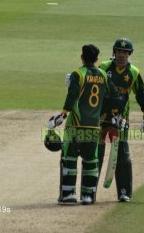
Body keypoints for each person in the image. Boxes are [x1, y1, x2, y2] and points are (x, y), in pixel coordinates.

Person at [47, 44, 116, 205]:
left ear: (82, 57)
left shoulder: (78, 74)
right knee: (91, 160)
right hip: (94, 126)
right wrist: (106, 113)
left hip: (75, 126)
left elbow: (72, 97)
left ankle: (68, 194)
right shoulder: (103, 75)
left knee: (69, 158)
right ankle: (88, 195)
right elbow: (114, 96)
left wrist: (62, 115)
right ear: (97, 59)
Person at [98, 37, 144, 202]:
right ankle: (90, 191)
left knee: (122, 155)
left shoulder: (134, 72)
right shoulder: (104, 67)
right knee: (97, 154)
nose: (122, 55)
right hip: (101, 118)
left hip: (121, 119)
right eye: (119, 51)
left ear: (129, 54)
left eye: (125, 52)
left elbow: (141, 94)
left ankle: (124, 192)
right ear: (114, 52)